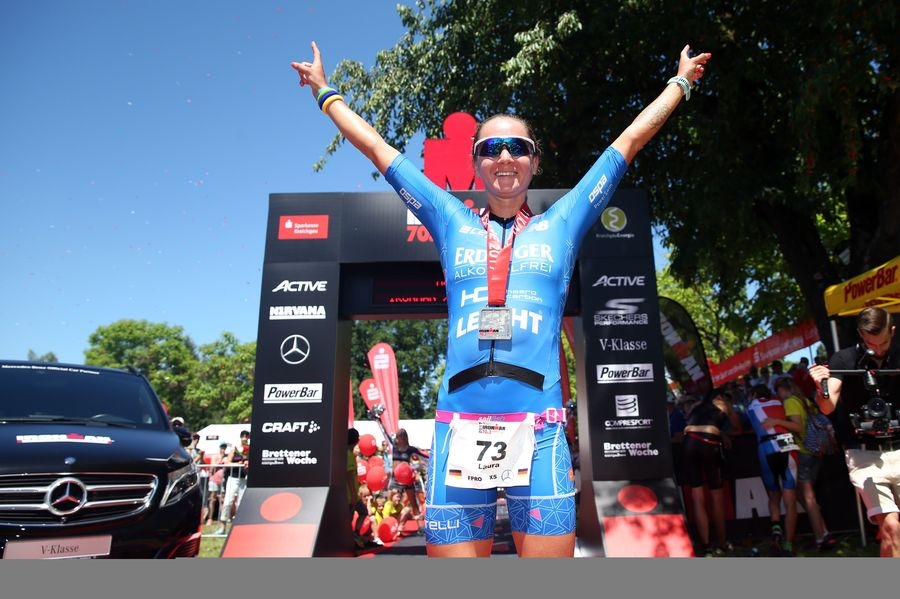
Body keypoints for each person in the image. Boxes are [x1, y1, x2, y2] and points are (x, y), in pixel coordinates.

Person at [291, 40, 711, 558]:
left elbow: (628, 143)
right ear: (477, 163)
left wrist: (680, 83)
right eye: (491, 148)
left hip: (540, 431)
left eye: (517, 147)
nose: (505, 157)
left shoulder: (563, 222)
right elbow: (379, 150)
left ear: (535, 161)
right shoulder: (450, 220)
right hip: (458, 428)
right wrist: (325, 91)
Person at [809, 306, 900, 557]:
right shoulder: (844, 359)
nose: (878, 350)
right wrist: (820, 386)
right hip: (863, 455)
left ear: (892, 331)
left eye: (884, 343)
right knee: (891, 528)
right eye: (871, 344)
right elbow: (827, 407)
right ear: (861, 334)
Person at [773, 377, 838, 551]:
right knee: (803, 495)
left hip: (803, 452)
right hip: (816, 452)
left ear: (783, 390)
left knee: (809, 498)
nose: (777, 395)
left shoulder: (790, 402)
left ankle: (821, 538)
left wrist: (776, 421)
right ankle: (823, 532)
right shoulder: (805, 401)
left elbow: (798, 427)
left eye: (777, 391)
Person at [680, 390, 742, 556]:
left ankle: (706, 546)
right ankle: (722, 542)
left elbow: (692, 424)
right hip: (708, 443)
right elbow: (738, 429)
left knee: (697, 496)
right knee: (716, 496)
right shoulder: (723, 405)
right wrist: (722, 433)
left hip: (689, 442)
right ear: (720, 397)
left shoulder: (695, 406)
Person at [746, 383, 799, 556]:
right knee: (790, 499)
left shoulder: (751, 406)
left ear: (754, 394)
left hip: (766, 447)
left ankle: (776, 534)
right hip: (786, 442)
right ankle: (788, 545)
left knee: (774, 495)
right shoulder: (779, 401)